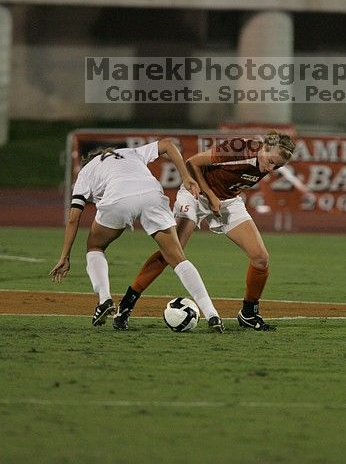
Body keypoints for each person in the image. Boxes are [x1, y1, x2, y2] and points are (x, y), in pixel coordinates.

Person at [112, 130, 295, 331]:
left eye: (277, 166)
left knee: (261, 258)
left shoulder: (267, 159)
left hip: (228, 201)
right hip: (196, 194)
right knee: (172, 251)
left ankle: (249, 313)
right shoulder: (238, 149)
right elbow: (192, 163)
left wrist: (219, 199)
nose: (271, 168)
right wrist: (210, 196)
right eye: (271, 161)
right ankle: (126, 305)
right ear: (264, 148)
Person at [48, 139, 225, 333]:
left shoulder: (86, 171)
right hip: (151, 194)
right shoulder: (130, 152)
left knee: (95, 246)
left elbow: (74, 218)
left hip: (118, 199)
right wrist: (186, 177)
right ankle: (212, 314)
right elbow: (167, 144)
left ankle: (104, 299)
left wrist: (65, 256)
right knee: (177, 258)